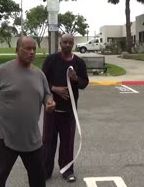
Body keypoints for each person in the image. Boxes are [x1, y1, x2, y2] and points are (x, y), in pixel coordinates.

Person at [0, 36, 56, 187]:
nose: (32, 52)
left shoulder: (39, 74)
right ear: (17, 50)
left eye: (34, 49)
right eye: (27, 48)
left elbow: (47, 93)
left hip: (31, 138)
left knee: (38, 180)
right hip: (5, 135)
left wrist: (49, 101)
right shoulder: (2, 71)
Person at [41, 34, 89, 182]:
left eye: (70, 42)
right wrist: (54, 88)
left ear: (73, 44)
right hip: (52, 109)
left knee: (67, 142)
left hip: (69, 111)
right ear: (60, 43)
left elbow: (84, 84)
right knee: (48, 142)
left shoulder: (79, 63)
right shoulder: (51, 60)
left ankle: (67, 170)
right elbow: (41, 80)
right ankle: (45, 171)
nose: (67, 45)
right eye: (64, 42)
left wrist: (75, 78)